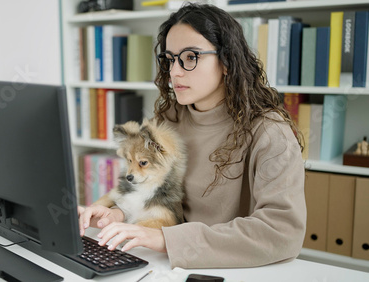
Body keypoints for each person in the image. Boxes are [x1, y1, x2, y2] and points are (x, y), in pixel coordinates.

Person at [78, 3, 306, 269]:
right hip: (168, 265)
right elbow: (155, 192)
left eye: (190, 57)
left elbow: (281, 233)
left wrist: (166, 239)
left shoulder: (269, 132)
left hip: (233, 269)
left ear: (227, 62)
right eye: (170, 59)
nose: (174, 72)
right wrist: (116, 213)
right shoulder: (170, 119)